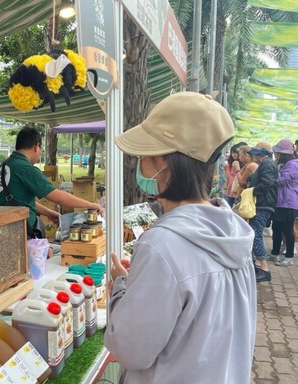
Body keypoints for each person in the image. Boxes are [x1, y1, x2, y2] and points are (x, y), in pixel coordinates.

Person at [105, 92, 256, 384]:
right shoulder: (235, 233)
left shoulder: (161, 245)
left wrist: (122, 288)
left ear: (167, 164)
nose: (142, 163)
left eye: (147, 153)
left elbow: (129, 349)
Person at [0, 127, 103, 239]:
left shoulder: (4, 165)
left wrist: (49, 213)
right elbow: (56, 196)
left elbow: (19, 202)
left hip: (0, 230)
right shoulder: (26, 169)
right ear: (36, 147)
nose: (40, 153)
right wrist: (90, 205)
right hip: (19, 234)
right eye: (41, 149)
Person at [247, 142, 278, 282]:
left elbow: (267, 183)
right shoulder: (267, 164)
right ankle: (259, 265)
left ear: (263, 153)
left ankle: (264, 269)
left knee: (256, 234)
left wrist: (252, 191)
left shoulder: (267, 164)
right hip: (263, 203)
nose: (254, 156)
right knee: (255, 233)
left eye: (256, 153)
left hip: (264, 204)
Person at [270, 139, 298, 266]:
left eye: (277, 153)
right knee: (276, 228)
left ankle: (289, 257)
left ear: (283, 154)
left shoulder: (293, 164)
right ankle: (274, 253)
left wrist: (273, 173)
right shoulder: (287, 164)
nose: (275, 155)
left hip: (288, 203)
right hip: (281, 202)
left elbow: (282, 181)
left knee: (287, 230)